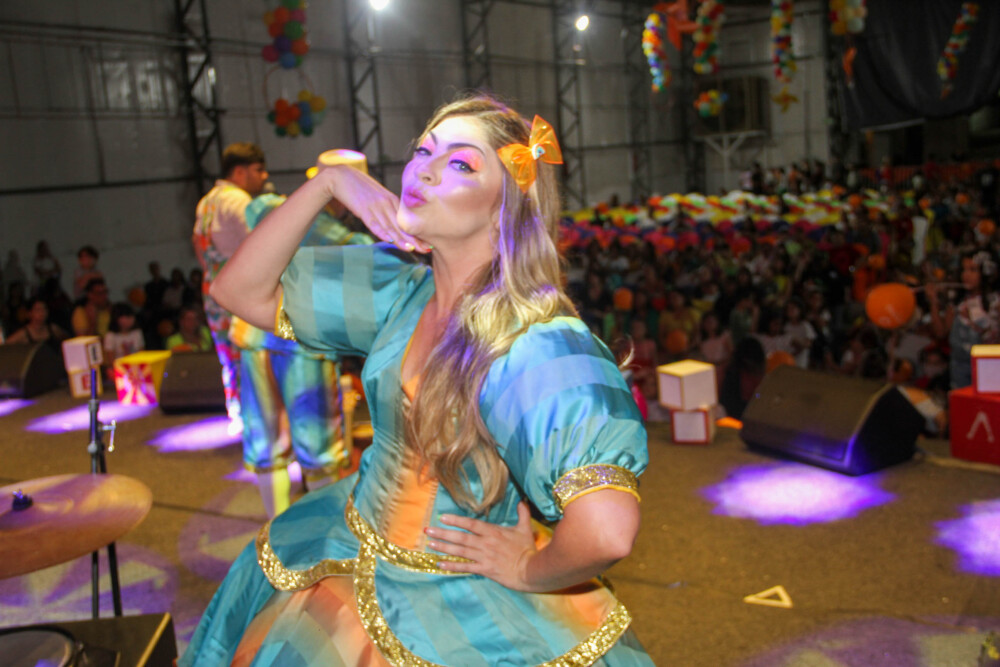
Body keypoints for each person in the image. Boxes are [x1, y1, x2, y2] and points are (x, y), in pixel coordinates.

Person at [183, 95, 651, 666]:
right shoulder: (401, 289)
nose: (423, 170)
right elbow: (237, 291)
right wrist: (330, 183)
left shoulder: (533, 341)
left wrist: (527, 569)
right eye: (423, 151)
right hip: (348, 540)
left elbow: (606, 531)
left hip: (455, 596)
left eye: (461, 163)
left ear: (504, 208)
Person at [232, 152, 375, 518]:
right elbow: (367, 256)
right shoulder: (343, 237)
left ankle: (275, 530)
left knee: (267, 442)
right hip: (302, 340)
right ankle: (320, 533)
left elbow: (255, 211)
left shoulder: (271, 208)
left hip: (255, 336)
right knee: (318, 447)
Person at [192, 142, 270, 432]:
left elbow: (197, 243)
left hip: (213, 290)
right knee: (249, 352)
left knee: (228, 355)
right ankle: (257, 418)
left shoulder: (207, 201)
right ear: (239, 172)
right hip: (240, 292)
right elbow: (262, 243)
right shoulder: (238, 200)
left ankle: (237, 413)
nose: (263, 176)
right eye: (258, 170)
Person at [927, 250, 1000, 388]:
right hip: (959, 368)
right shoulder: (958, 301)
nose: (966, 275)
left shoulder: (995, 302)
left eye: (973, 270)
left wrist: (974, 324)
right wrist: (933, 302)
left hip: (989, 368)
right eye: (964, 269)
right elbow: (941, 332)